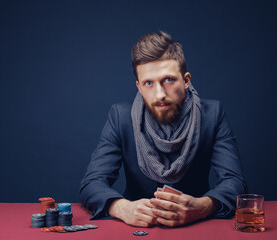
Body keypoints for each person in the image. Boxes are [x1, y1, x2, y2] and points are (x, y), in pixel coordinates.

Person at [79, 30, 247, 227]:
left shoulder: (212, 114)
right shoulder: (120, 117)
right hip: (135, 230)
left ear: (186, 80)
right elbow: (91, 183)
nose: (159, 94)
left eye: (168, 80)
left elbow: (235, 182)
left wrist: (202, 206)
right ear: (139, 87)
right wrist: (123, 208)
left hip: (197, 228)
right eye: (148, 83)